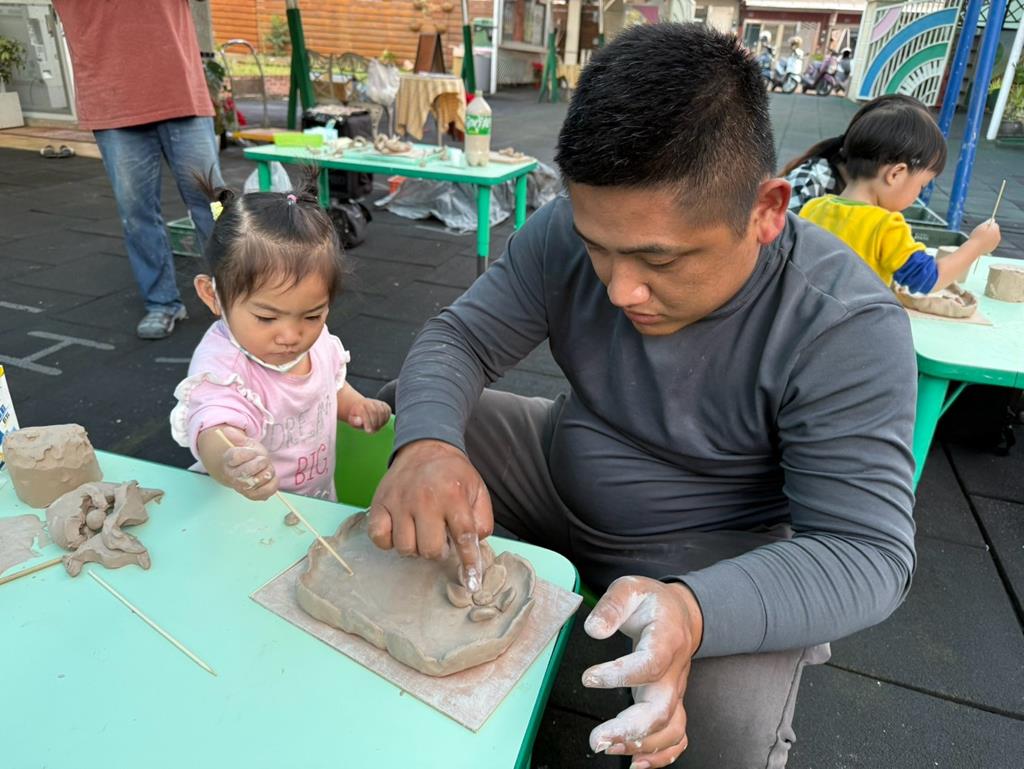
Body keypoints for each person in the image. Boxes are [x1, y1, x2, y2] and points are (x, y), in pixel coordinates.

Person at [367, 23, 916, 769]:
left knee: (725, 732)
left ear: (767, 210)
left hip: (708, 550)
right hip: (558, 468)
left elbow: (867, 552)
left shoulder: (844, 325)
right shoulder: (571, 228)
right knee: (405, 419)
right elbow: (459, 338)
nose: (620, 288)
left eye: (659, 259)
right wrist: (429, 443)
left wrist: (695, 610)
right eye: (599, 247)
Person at [169, 172, 392, 503]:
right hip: (246, 510)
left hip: (315, 501)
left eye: (312, 315)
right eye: (267, 318)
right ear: (213, 295)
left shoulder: (317, 342)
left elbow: (329, 386)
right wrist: (231, 459)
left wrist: (356, 406)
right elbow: (213, 428)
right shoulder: (224, 369)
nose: (291, 336)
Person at [52, 0, 223, 339]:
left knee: (214, 203)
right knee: (137, 213)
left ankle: (237, 294)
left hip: (180, 91)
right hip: (112, 100)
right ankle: (163, 302)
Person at [800, 98, 1001, 294]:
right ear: (896, 174)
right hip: (854, 316)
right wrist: (977, 244)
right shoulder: (885, 226)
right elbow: (928, 279)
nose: (917, 195)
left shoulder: (813, 208)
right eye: (921, 186)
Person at [781, 93, 925, 212]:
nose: (914, 198)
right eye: (921, 186)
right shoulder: (807, 185)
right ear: (895, 171)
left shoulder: (877, 198)